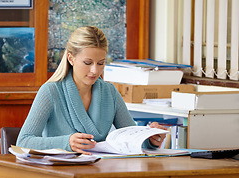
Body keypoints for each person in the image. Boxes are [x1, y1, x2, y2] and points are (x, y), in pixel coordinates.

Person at [16, 26, 166, 155]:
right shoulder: (50, 91)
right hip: (59, 174)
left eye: (101, 63)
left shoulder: (110, 92)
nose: (95, 70)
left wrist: (151, 138)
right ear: (71, 58)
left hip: (98, 170)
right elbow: (23, 141)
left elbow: (129, 139)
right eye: (87, 63)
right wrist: (66, 142)